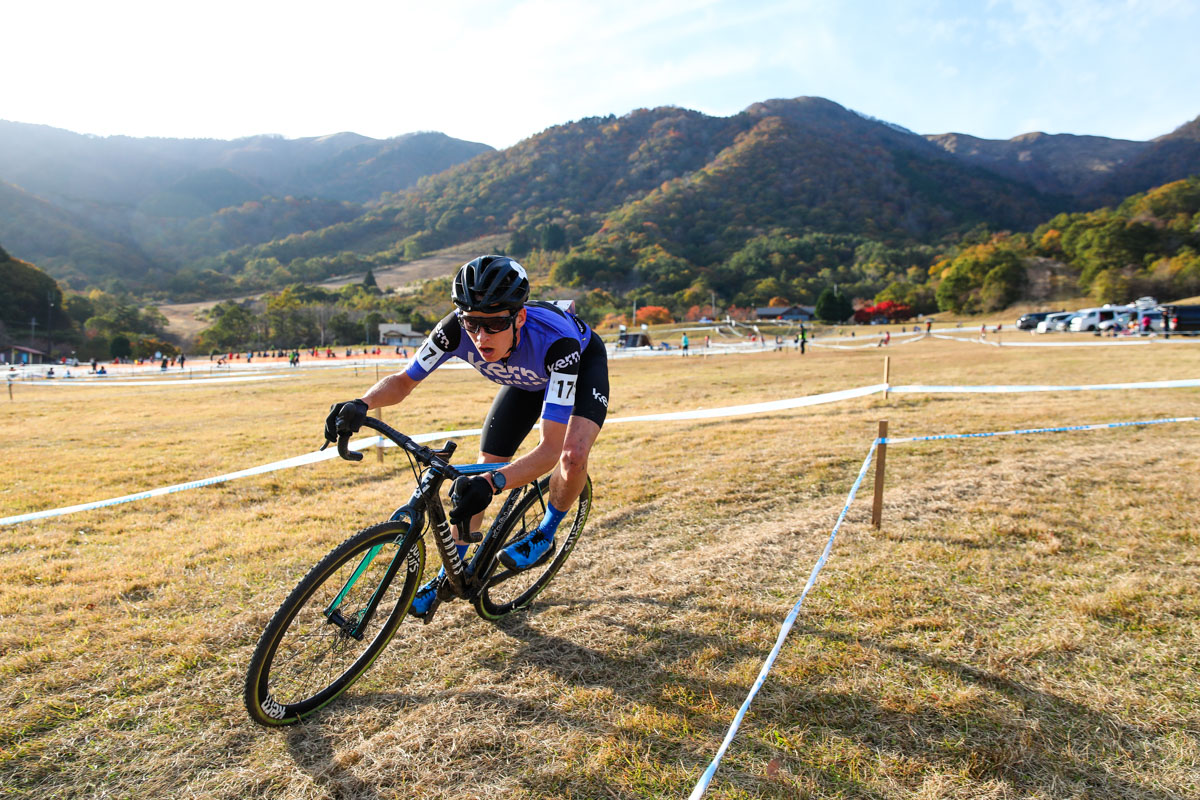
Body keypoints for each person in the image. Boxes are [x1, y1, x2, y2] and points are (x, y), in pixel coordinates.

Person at [324, 256, 610, 619]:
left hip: (578, 368)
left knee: (572, 456)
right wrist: (360, 403)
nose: (480, 337)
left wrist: (494, 484)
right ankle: (450, 574)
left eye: (492, 325)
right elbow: (404, 380)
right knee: (479, 474)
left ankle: (546, 531)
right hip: (524, 378)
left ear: (518, 317)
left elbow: (549, 450)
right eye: (472, 322)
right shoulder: (453, 330)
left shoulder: (559, 343)